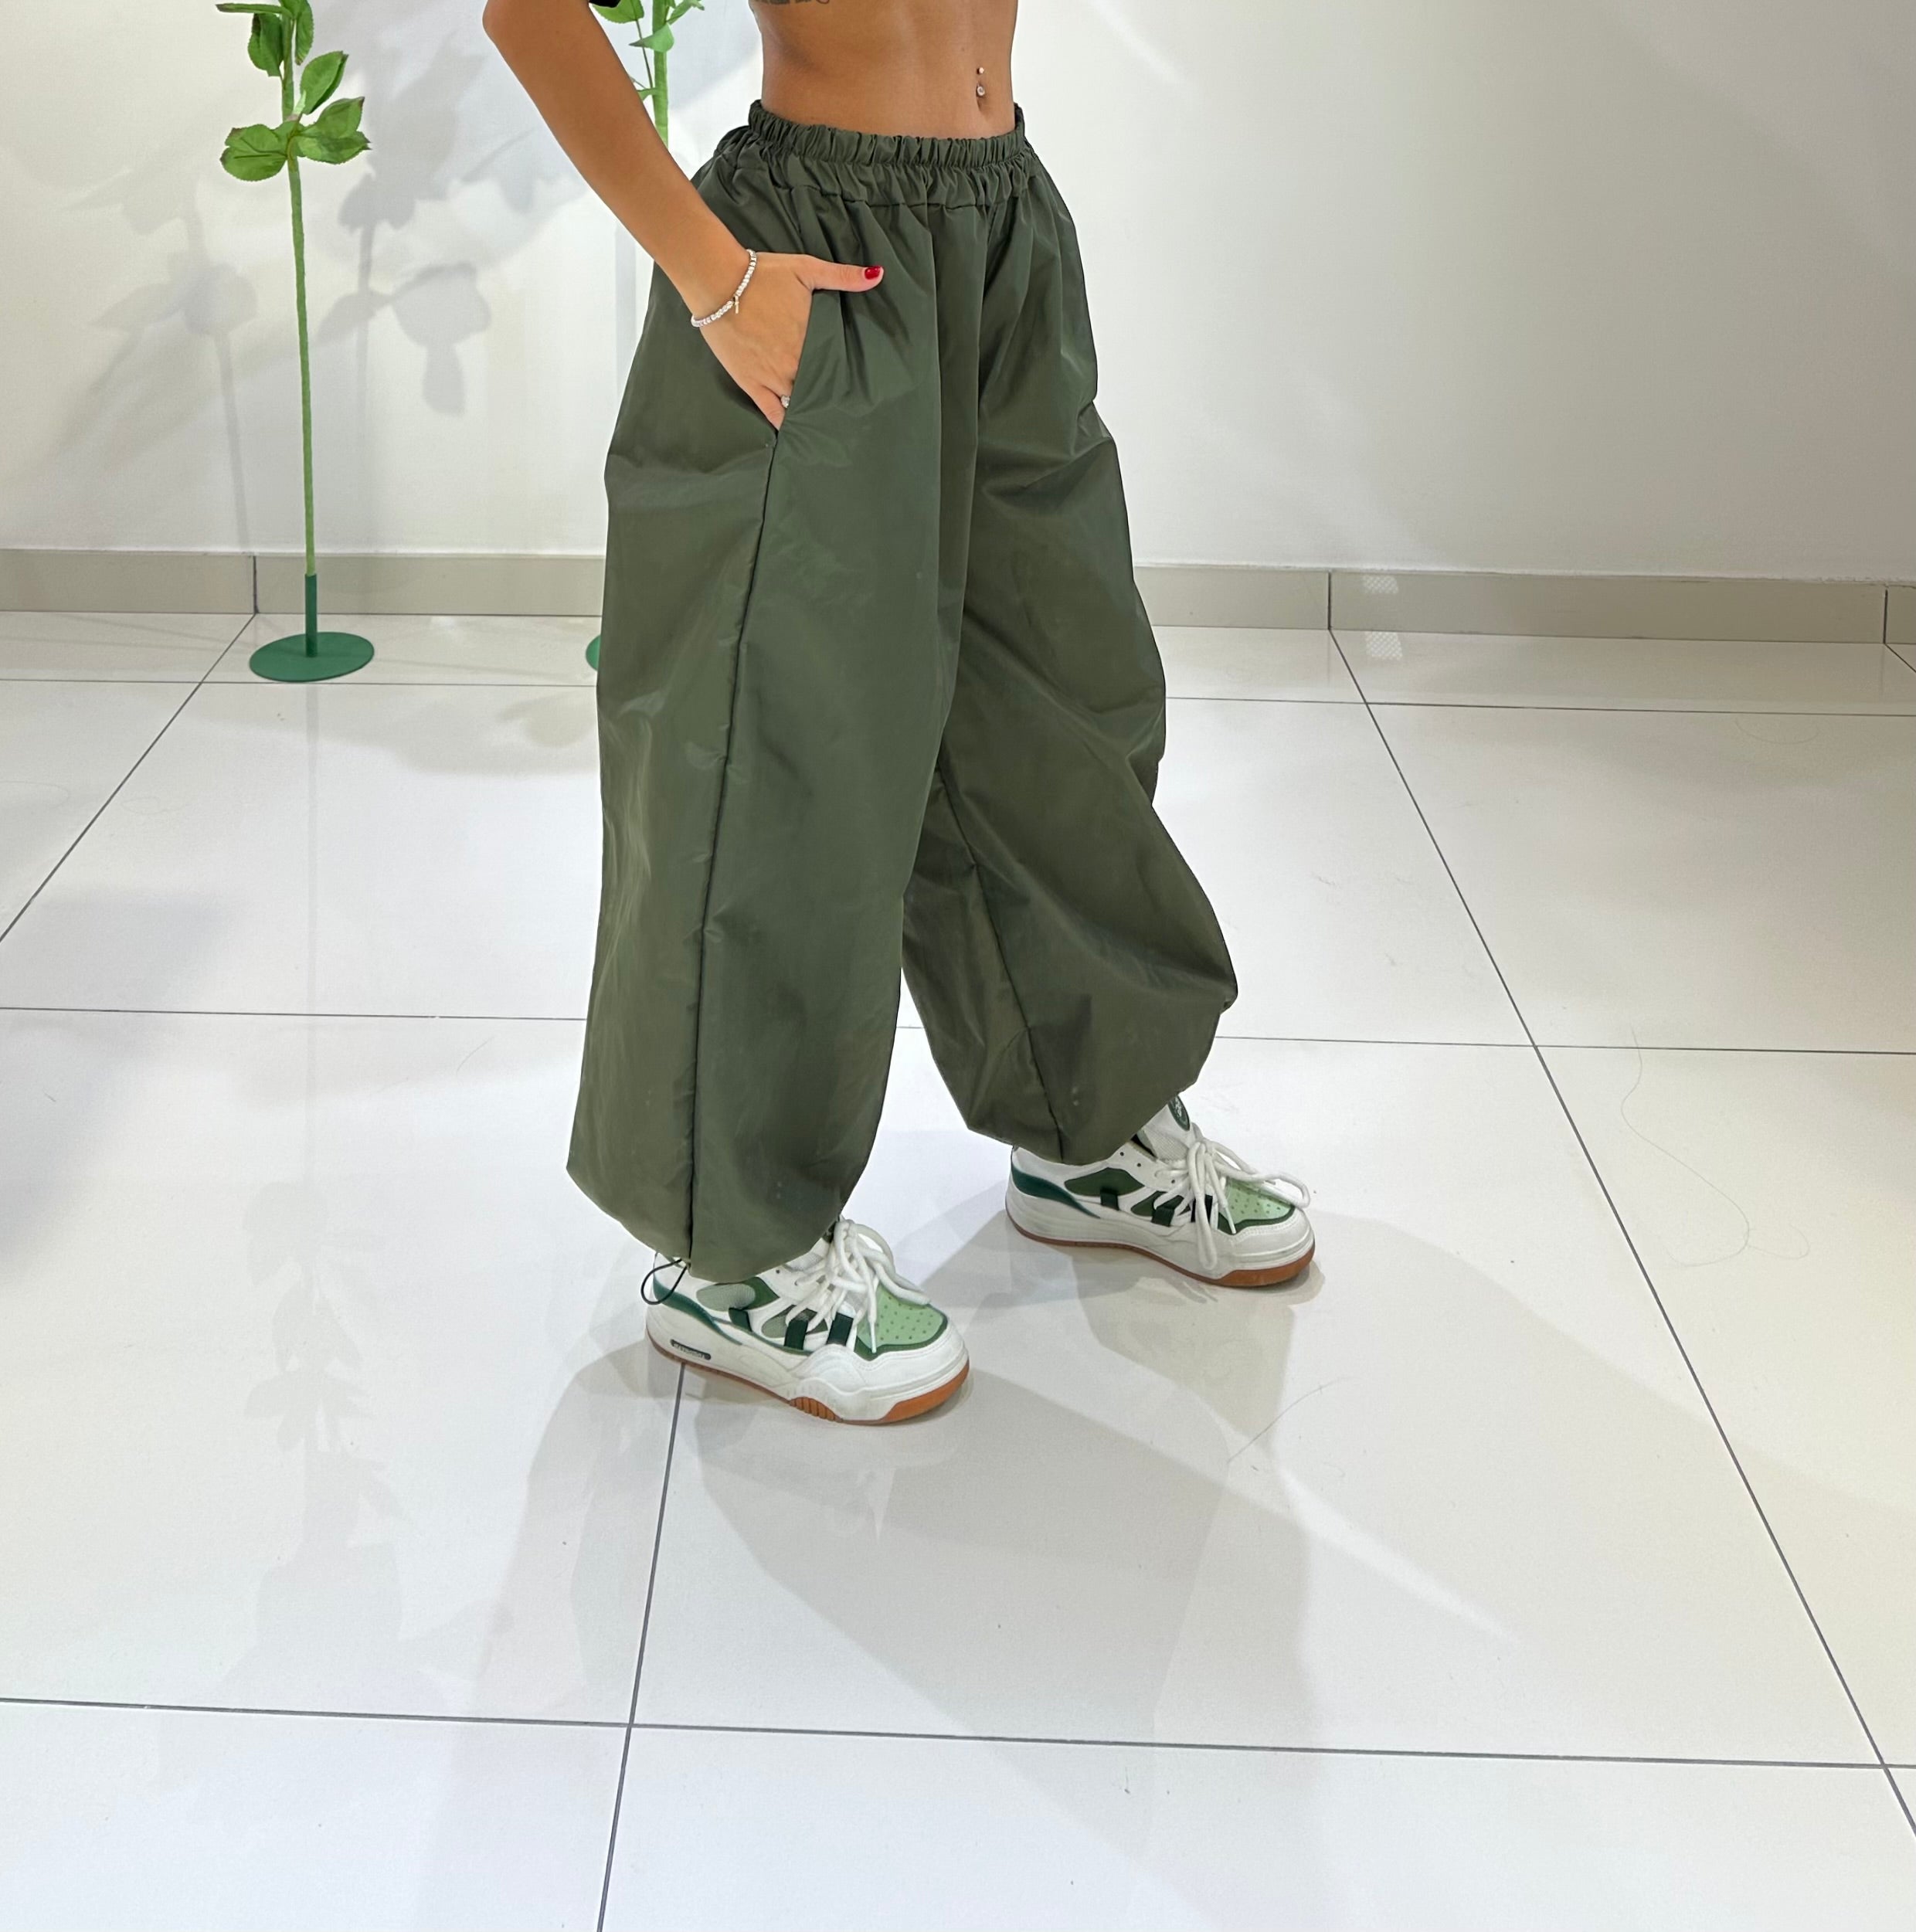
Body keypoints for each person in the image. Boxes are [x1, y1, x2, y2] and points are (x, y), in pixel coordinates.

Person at [485, 0, 1313, 1424]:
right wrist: (718, 281)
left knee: (1056, 700)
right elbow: (527, 10)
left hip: (1001, 227)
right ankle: (733, 1258)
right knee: (780, 753)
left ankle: (1090, 1126)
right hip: (820, 246)